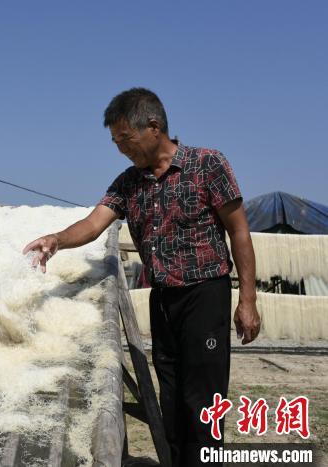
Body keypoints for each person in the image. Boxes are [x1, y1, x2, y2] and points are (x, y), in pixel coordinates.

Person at [23, 88, 260, 466]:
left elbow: (239, 231)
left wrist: (247, 300)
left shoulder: (207, 164)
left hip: (205, 295)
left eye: (125, 139)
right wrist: (57, 240)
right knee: (172, 399)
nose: (121, 149)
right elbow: (93, 222)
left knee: (202, 400)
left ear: (153, 127)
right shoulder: (128, 182)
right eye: (115, 142)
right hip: (162, 299)